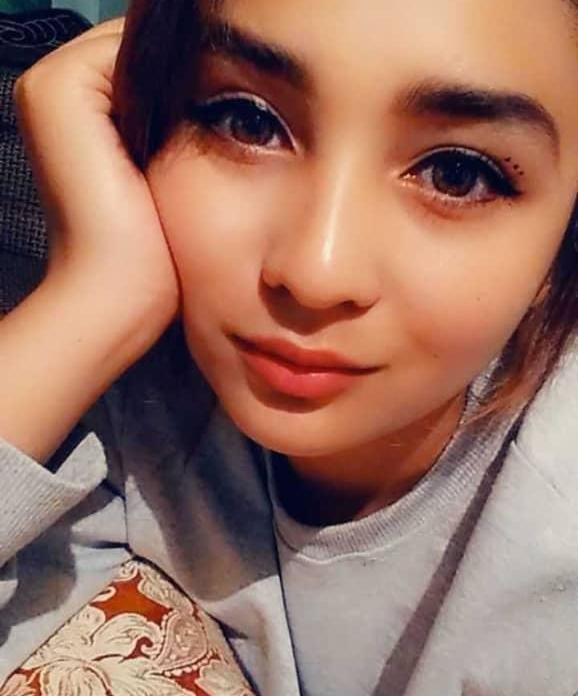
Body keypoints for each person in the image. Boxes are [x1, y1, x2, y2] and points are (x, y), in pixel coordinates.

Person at [1, 0, 577, 693]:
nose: (315, 273)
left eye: (457, 174)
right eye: (247, 122)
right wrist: (93, 296)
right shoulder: (136, 391)